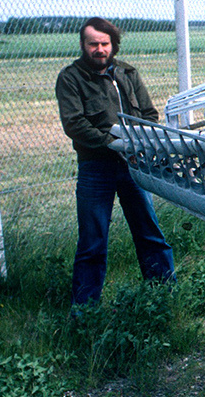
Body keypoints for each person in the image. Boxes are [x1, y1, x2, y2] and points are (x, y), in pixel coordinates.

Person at [56, 17, 175, 305]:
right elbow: (75, 125)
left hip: (133, 166)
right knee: (92, 243)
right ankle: (85, 314)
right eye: (93, 44)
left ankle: (164, 300)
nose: (99, 49)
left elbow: (148, 114)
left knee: (150, 235)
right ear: (83, 45)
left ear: (113, 45)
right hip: (96, 168)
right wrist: (116, 145)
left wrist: (140, 144)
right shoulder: (70, 78)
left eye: (104, 44)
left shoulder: (127, 73)